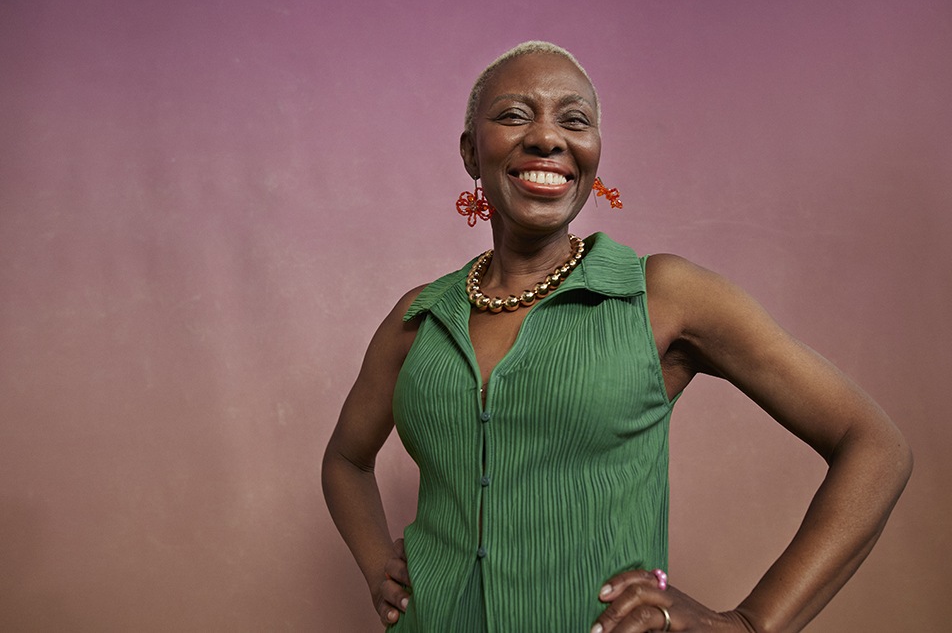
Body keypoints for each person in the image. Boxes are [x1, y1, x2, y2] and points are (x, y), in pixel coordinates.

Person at [322, 41, 912, 632]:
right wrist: (380, 567)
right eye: (513, 115)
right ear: (471, 152)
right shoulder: (418, 319)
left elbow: (875, 447)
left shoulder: (663, 297)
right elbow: (346, 461)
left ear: (593, 152)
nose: (548, 138)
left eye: (574, 120)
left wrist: (751, 624)